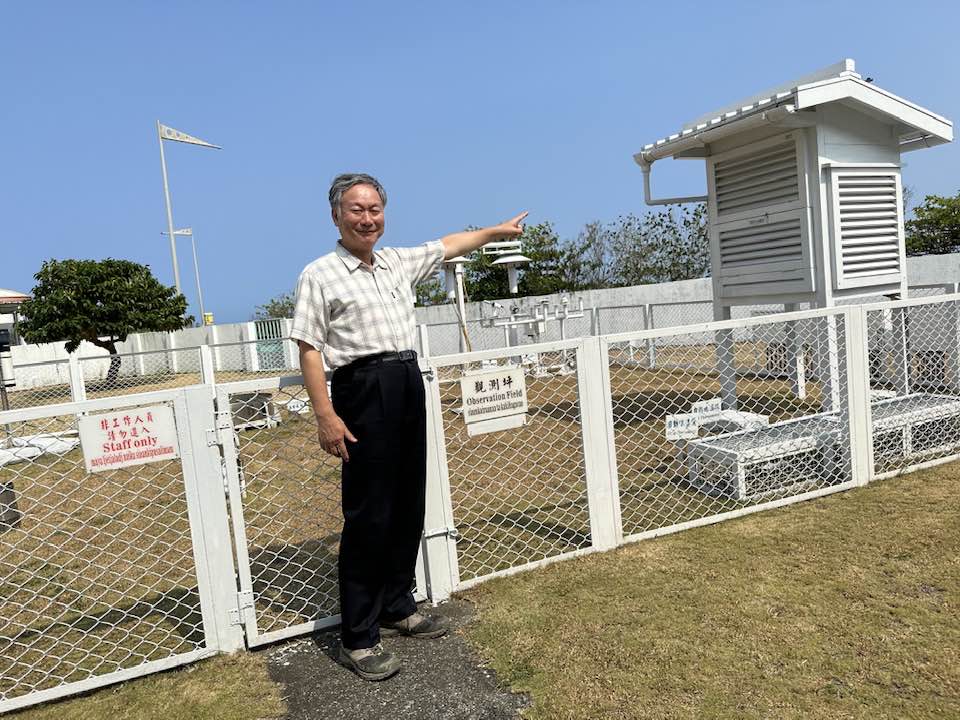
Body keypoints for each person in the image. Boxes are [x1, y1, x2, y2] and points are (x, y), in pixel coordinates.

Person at [291, 172, 526, 681]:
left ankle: (399, 605)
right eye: (356, 209)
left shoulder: (396, 261)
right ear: (336, 215)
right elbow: (309, 348)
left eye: (374, 208)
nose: (367, 218)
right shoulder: (320, 273)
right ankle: (359, 634)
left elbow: (447, 244)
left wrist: (495, 231)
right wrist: (325, 413)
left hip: (406, 380)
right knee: (369, 514)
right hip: (361, 388)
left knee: (407, 503)